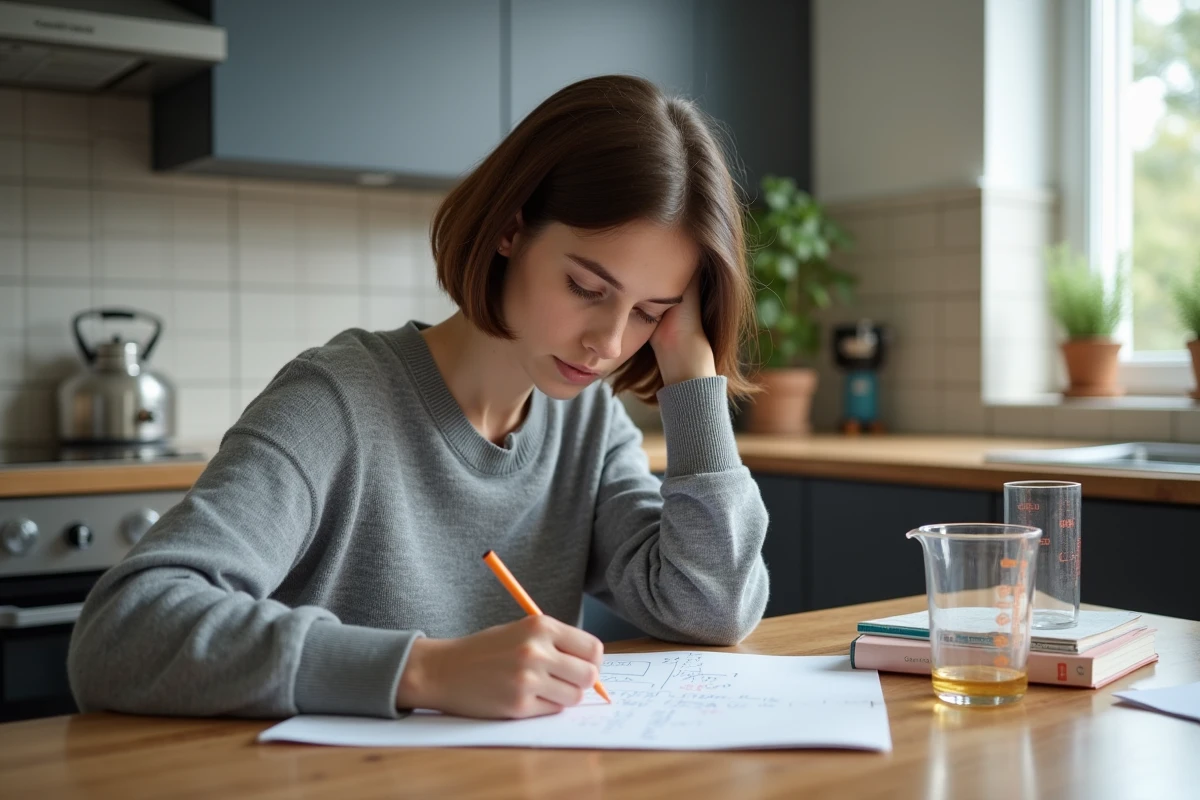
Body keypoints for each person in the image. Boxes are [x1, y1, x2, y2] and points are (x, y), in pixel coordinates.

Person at [68, 75, 770, 721]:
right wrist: (421, 671)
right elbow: (120, 632)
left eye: (651, 311)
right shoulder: (337, 401)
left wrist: (693, 385)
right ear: (510, 229)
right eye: (588, 288)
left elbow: (711, 609)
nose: (609, 343)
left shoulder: (586, 422)